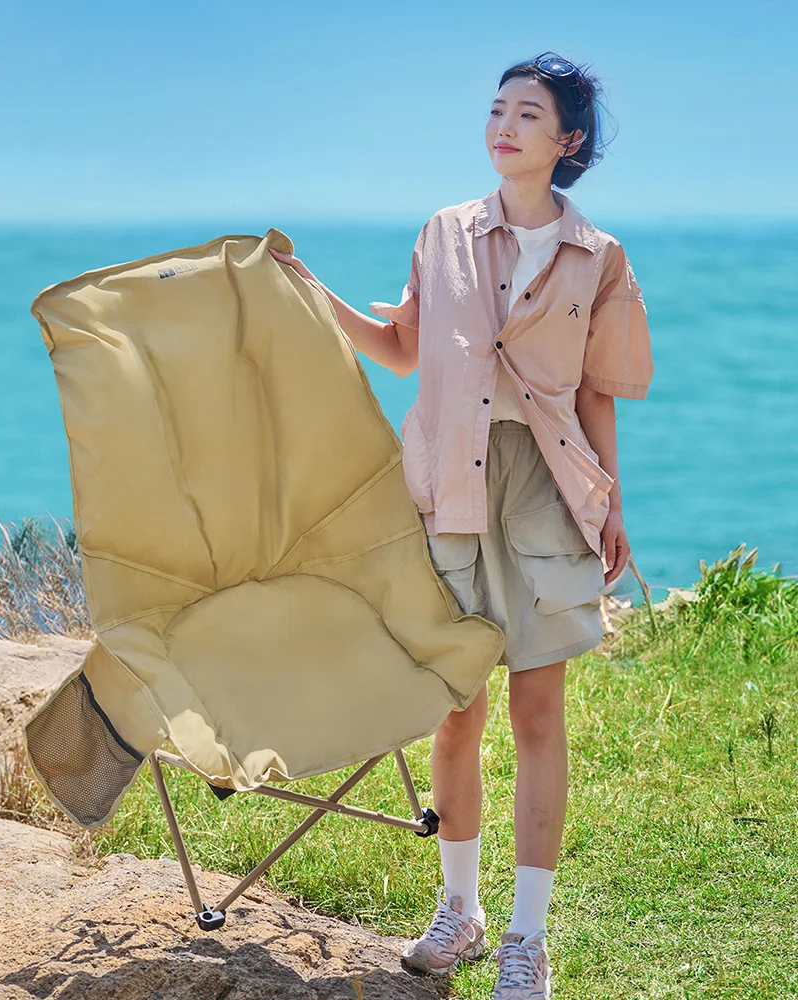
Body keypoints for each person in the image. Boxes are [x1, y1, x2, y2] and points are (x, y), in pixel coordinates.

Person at [271, 50, 653, 999]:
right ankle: (461, 914)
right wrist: (307, 289)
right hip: (450, 487)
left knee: (537, 712)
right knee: (454, 710)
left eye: (529, 114)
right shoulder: (443, 233)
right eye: (496, 109)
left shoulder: (598, 258)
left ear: (566, 142)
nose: (504, 125)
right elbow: (402, 351)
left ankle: (528, 937)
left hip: (547, 493)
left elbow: (601, 393)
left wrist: (611, 503)